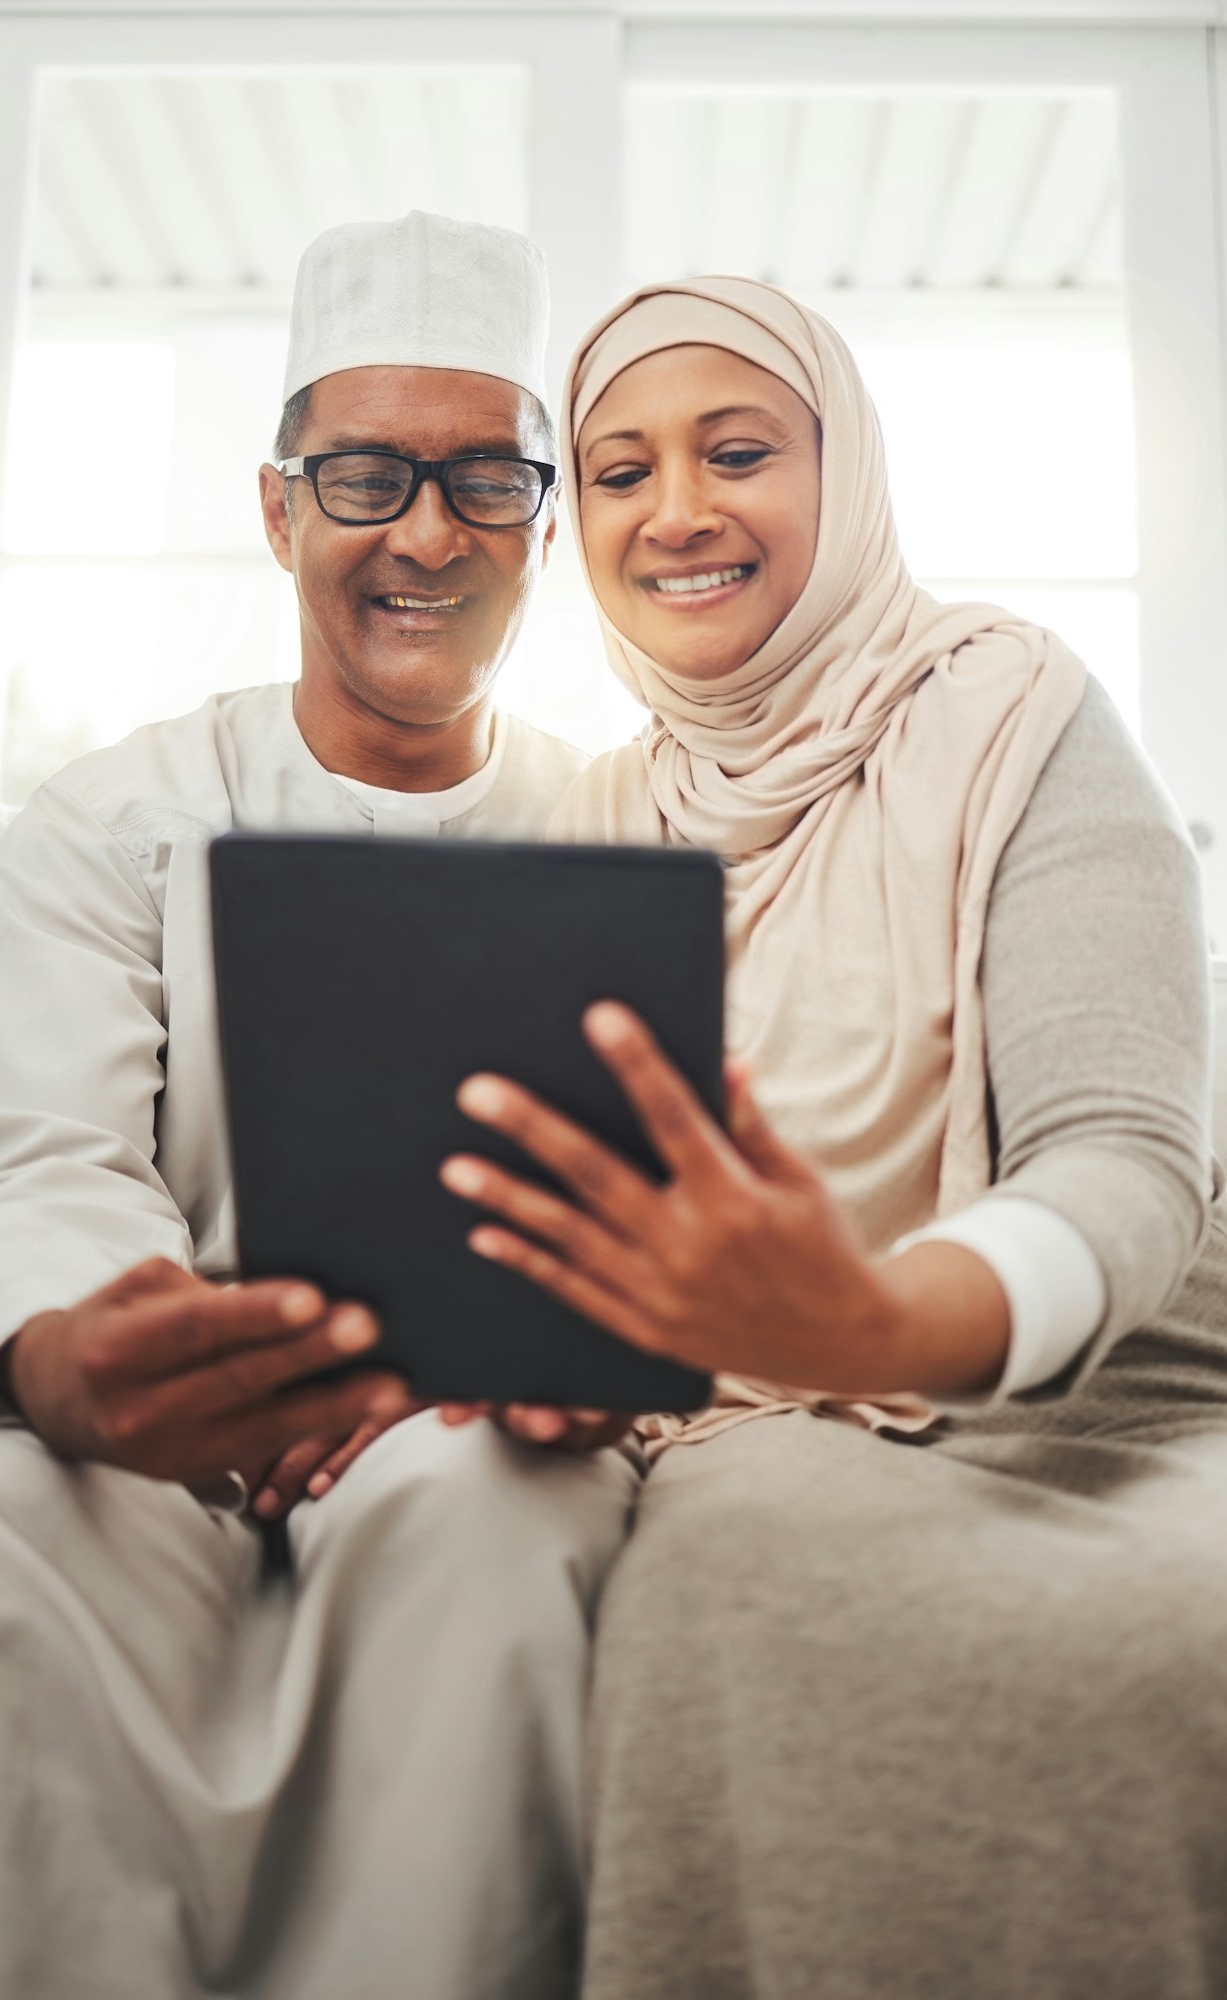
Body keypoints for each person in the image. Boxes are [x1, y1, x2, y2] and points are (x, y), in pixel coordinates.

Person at [438, 277, 1227, 1998]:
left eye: (738, 452)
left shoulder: (1011, 711)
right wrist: (577, 1350)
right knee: (734, 1581)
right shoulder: (593, 819)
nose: (681, 512)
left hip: (1114, 1391)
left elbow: (1124, 1158)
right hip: (760, 1417)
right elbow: (599, 1230)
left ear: (842, 468)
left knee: (1168, 1642)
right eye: (622, 472)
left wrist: (874, 1324)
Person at [0, 212, 639, 2000]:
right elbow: (38, 1158)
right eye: (367, 475)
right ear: (280, 509)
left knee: (499, 1518)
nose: (427, 532)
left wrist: (500, 1354)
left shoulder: (622, 824)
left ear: (542, 520)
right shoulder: (115, 814)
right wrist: (87, 1352)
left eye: (484, 478)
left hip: (461, 1419)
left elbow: (646, 1186)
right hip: (135, 1418)